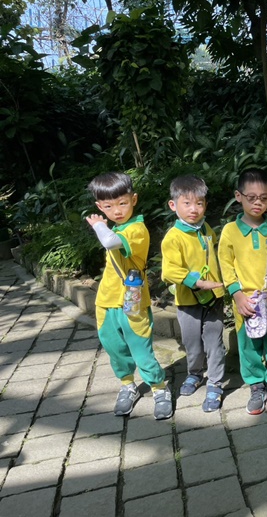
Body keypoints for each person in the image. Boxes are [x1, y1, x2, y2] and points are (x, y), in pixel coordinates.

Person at [85, 172, 173, 420]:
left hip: (133, 302)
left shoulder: (136, 229)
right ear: (99, 206)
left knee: (140, 348)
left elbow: (110, 242)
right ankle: (127, 385)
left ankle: (159, 388)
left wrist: (98, 224)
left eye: (122, 203)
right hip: (106, 301)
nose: (117, 211)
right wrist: (103, 225)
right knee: (115, 348)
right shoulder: (118, 226)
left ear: (134, 199)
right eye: (108, 207)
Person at [218, 168, 267, 415]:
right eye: (251, 198)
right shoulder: (230, 231)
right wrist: (236, 294)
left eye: (263, 198)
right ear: (238, 196)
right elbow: (226, 266)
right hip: (246, 301)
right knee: (248, 343)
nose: (257, 203)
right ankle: (256, 385)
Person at [161, 175, 226, 412]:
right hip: (188, 300)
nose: (193, 209)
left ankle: (216, 383)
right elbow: (169, 271)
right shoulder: (173, 237)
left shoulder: (206, 229)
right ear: (173, 205)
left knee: (214, 342)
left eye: (199, 203)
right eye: (187, 203)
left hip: (214, 299)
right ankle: (195, 373)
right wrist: (197, 282)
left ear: (205, 205)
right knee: (192, 343)